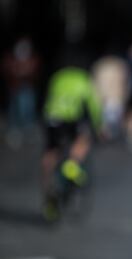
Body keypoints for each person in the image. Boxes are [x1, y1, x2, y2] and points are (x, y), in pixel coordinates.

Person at [41, 66, 102, 221]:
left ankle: (49, 198)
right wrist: (98, 124)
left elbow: (47, 96)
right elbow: (93, 104)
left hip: (53, 117)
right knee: (83, 140)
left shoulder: (57, 76)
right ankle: (72, 164)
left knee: (50, 154)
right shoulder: (83, 79)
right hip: (72, 117)